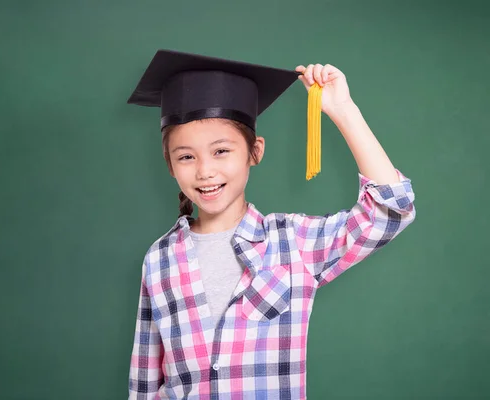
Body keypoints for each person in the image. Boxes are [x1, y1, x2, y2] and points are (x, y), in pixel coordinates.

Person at [126, 49, 416, 400]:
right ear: (171, 166)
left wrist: (343, 112)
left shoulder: (293, 242)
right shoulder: (159, 259)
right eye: (186, 156)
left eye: (221, 151)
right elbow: (144, 380)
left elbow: (390, 210)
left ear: (255, 152)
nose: (205, 171)